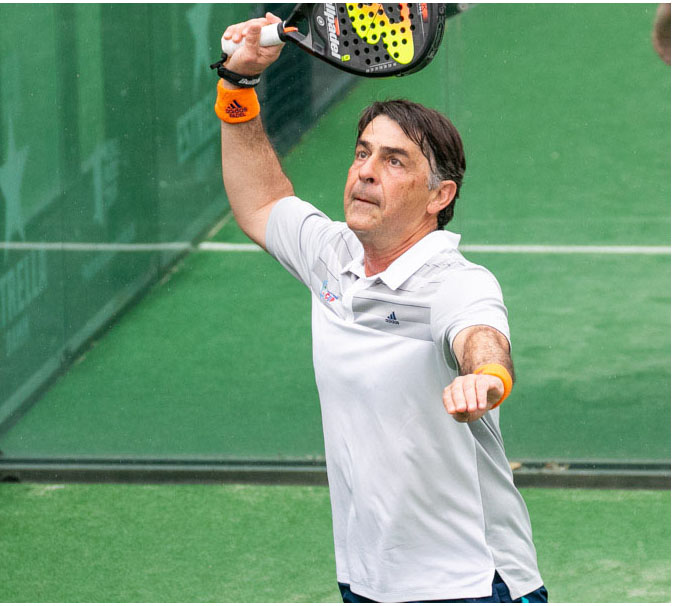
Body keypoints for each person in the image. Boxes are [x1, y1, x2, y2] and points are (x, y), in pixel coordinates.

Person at [214, 14, 548, 603]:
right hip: (368, 578)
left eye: (394, 161)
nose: (366, 171)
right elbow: (260, 201)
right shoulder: (329, 256)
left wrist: (486, 378)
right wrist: (237, 86)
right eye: (363, 153)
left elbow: (481, 336)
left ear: (440, 195)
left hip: (473, 581)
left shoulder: (454, 282)